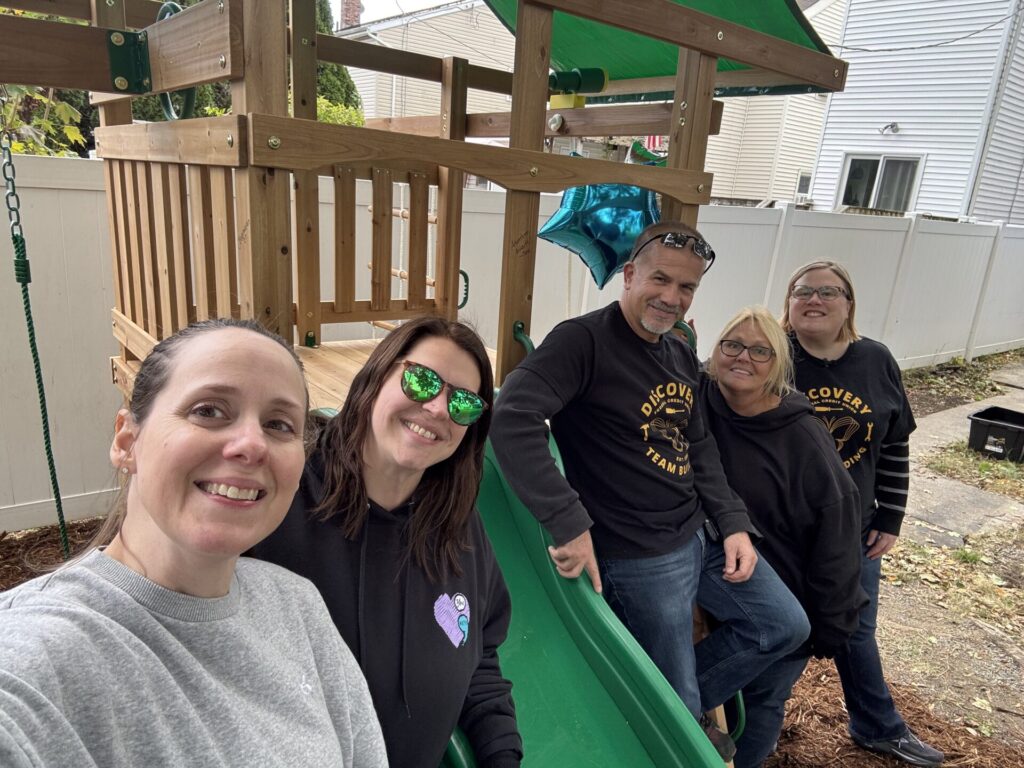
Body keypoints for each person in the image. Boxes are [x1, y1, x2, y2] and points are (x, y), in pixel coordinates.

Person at [0, 319, 387, 768]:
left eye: (278, 424)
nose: (251, 445)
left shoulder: (295, 606)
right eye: (208, 410)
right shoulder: (38, 656)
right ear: (127, 440)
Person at [489, 221, 810, 760]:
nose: (672, 297)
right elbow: (514, 417)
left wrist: (732, 524)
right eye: (660, 279)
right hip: (639, 555)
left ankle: (657, 707)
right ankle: (676, 715)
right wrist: (568, 520)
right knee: (682, 714)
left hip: (699, 537)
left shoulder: (679, 353)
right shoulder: (582, 341)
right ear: (630, 275)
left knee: (783, 626)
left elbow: (700, 446)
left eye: (687, 288)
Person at [252, 316, 522, 768]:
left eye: (464, 403)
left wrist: (503, 756)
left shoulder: (458, 529)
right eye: (421, 380)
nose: (439, 409)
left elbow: (479, 662)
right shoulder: (281, 500)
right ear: (376, 377)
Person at [782, 261, 944, 767]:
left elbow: (894, 446)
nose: (815, 299)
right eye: (803, 291)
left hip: (853, 530)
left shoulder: (876, 360)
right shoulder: (772, 355)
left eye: (829, 292)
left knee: (855, 627)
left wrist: (891, 515)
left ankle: (877, 727)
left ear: (848, 304)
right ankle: (756, 725)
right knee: (780, 627)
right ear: (788, 303)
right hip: (779, 530)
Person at [700, 306, 867, 767]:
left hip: (790, 598)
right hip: (714, 587)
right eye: (732, 345)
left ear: (780, 364)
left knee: (761, 706)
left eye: (760, 351)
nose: (743, 358)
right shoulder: (697, 402)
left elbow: (838, 542)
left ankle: (674, 706)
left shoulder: (805, 440)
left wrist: (830, 627)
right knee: (714, 709)